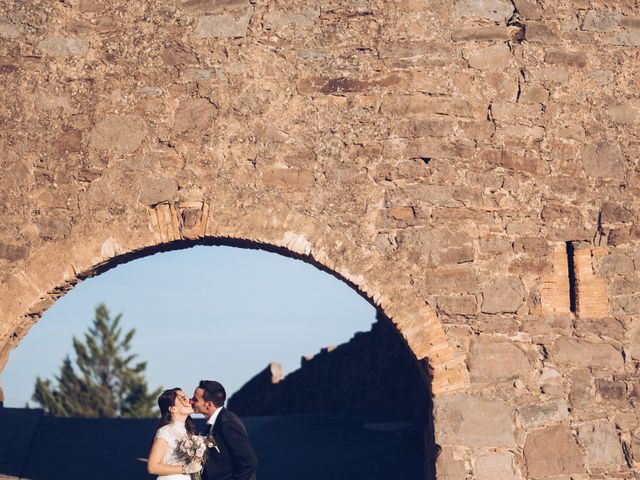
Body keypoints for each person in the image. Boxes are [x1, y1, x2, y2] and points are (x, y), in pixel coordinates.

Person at [192, 380, 258, 480]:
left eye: (195, 399)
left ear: (209, 404)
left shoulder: (228, 423)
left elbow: (249, 462)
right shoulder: (214, 423)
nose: (191, 401)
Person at [148, 388, 203, 479]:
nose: (189, 400)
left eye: (187, 397)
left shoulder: (189, 431)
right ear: (172, 409)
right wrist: (185, 469)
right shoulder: (165, 432)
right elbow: (152, 467)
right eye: (183, 399)